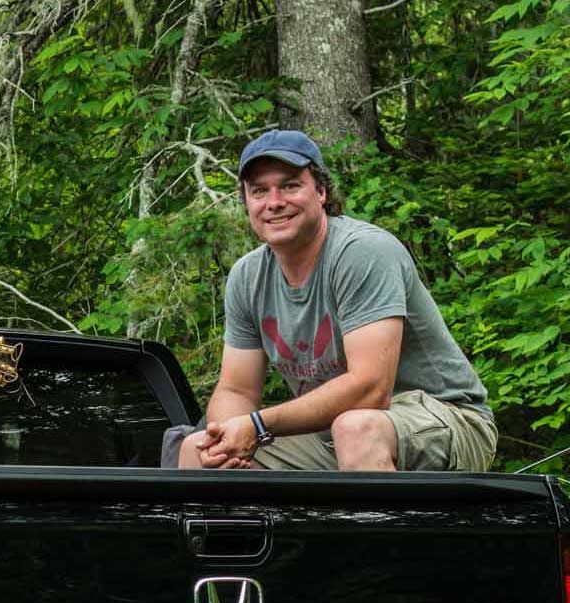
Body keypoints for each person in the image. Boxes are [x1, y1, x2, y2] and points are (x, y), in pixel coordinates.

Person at [168, 129, 496, 472]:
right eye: (259, 191)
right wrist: (226, 442)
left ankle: (378, 527)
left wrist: (258, 425)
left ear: (321, 191)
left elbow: (371, 390)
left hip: (449, 420)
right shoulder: (247, 276)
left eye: (290, 186)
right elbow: (237, 390)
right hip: (331, 433)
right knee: (196, 450)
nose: (274, 201)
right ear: (247, 203)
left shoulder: (362, 252)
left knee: (356, 427)